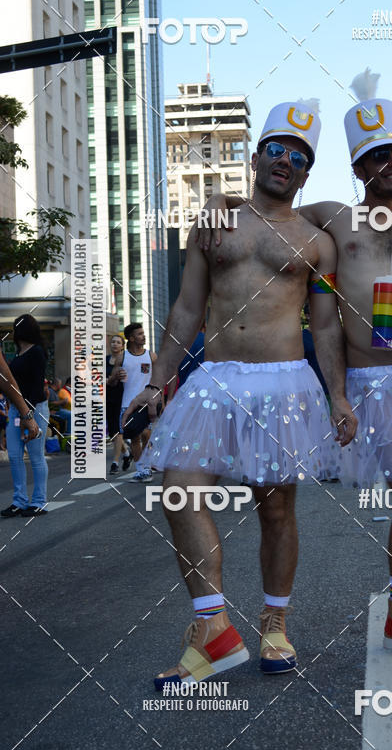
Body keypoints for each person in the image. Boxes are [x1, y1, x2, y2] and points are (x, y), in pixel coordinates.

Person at [203, 75, 392, 658]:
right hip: (367, 382)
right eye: (377, 157)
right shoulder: (334, 217)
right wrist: (224, 200)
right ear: (359, 170)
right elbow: (271, 211)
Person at [125, 100, 357, 690]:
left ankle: (275, 624)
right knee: (177, 491)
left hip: (284, 383)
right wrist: (157, 381)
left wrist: (339, 397)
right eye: (277, 148)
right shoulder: (215, 223)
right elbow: (186, 307)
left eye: (299, 157)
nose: (285, 160)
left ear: (307, 173)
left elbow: (325, 326)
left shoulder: (316, 242)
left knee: (276, 507)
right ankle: (213, 628)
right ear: (256, 156)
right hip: (216, 380)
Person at [1, 315, 47, 517]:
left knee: (36, 456)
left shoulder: (37, 352)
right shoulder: (19, 353)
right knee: (14, 455)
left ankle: (38, 501)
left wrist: (27, 414)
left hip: (34, 408)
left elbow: (37, 387)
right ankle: (19, 500)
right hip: (16, 410)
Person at [120, 323, 156, 481]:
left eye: (143, 333)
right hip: (127, 403)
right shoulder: (122, 357)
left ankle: (148, 466)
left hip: (146, 403)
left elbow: (162, 374)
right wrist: (115, 377)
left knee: (147, 435)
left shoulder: (151, 356)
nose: (144, 336)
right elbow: (113, 381)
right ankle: (141, 470)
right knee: (134, 438)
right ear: (132, 338)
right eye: (140, 334)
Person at [106, 334, 131, 474]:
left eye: (118, 342)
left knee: (118, 429)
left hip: (123, 397)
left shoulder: (126, 360)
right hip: (108, 398)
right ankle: (126, 454)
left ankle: (115, 463)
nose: (115, 344)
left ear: (123, 345)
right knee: (112, 432)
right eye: (113, 342)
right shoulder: (105, 360)